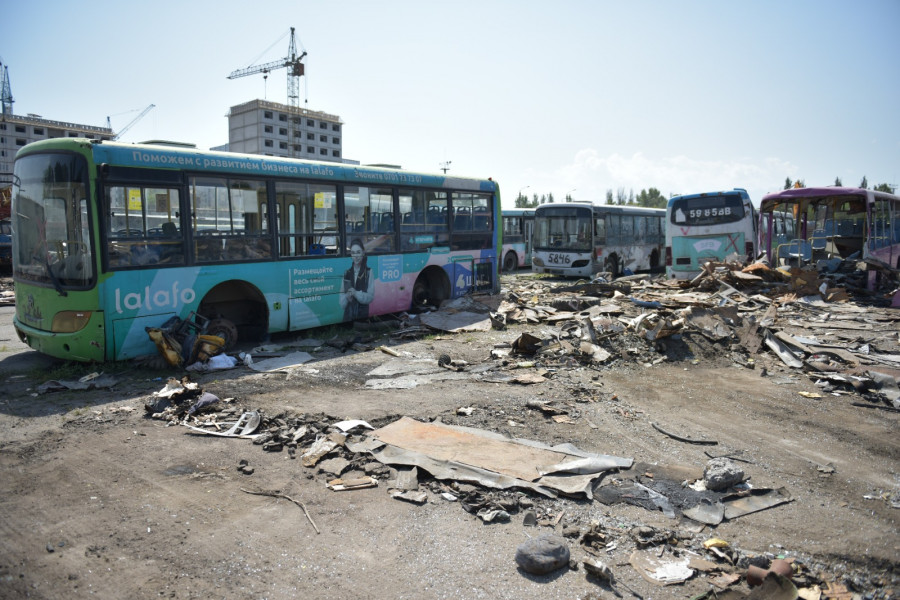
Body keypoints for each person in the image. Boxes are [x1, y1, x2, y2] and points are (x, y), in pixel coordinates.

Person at [340, 238, 374, 320]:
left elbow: (370, 297)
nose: (356, 256)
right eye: (353, 253)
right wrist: (347, 297)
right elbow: (341, 303)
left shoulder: (369, 272)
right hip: (348, 317)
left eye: (358, 252)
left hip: (362, 317)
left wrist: (356, 293)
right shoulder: (347, 273)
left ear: (363, 253)